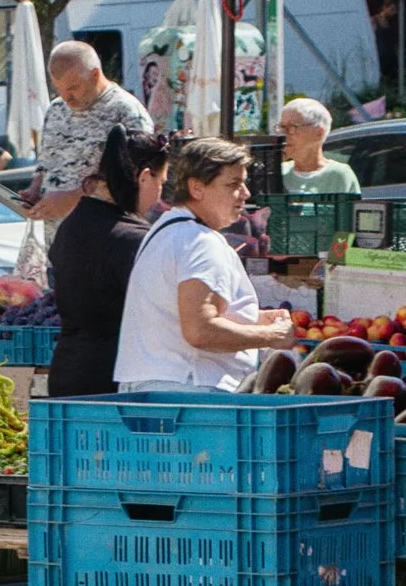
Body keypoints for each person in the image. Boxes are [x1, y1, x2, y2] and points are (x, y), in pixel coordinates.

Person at [111, 138, 298, 391]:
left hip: (154, 387)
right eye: (233, 184)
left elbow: (179, 314)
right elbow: (200, 330)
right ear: (197, 188)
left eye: (244, 183)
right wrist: (272, 336)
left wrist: (252, 319)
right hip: (188, 392)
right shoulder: (201, 241)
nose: (245, 193)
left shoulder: (165, 232)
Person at [46, 125, 171, 397]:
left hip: (66, 372)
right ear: (145, 177)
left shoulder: (70, 225)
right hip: (113, 381)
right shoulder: (134, 239)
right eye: (161, 183)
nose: (159, 196)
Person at [24, 40, 154, 224]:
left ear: (95, 75)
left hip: (105, 230)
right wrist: (35, 190)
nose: (66, 98)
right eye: (59, 89)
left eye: (73, 88)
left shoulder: (126, 112)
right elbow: (46, 163)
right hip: (57, 233)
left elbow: (138, 178)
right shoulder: (56, 109)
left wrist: (74, 198)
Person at [278, 97, 361, 195]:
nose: (283, 134)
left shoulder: (339, 175)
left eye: (292, 127)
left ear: (319, 133)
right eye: (282, 127)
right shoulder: (277, 173)